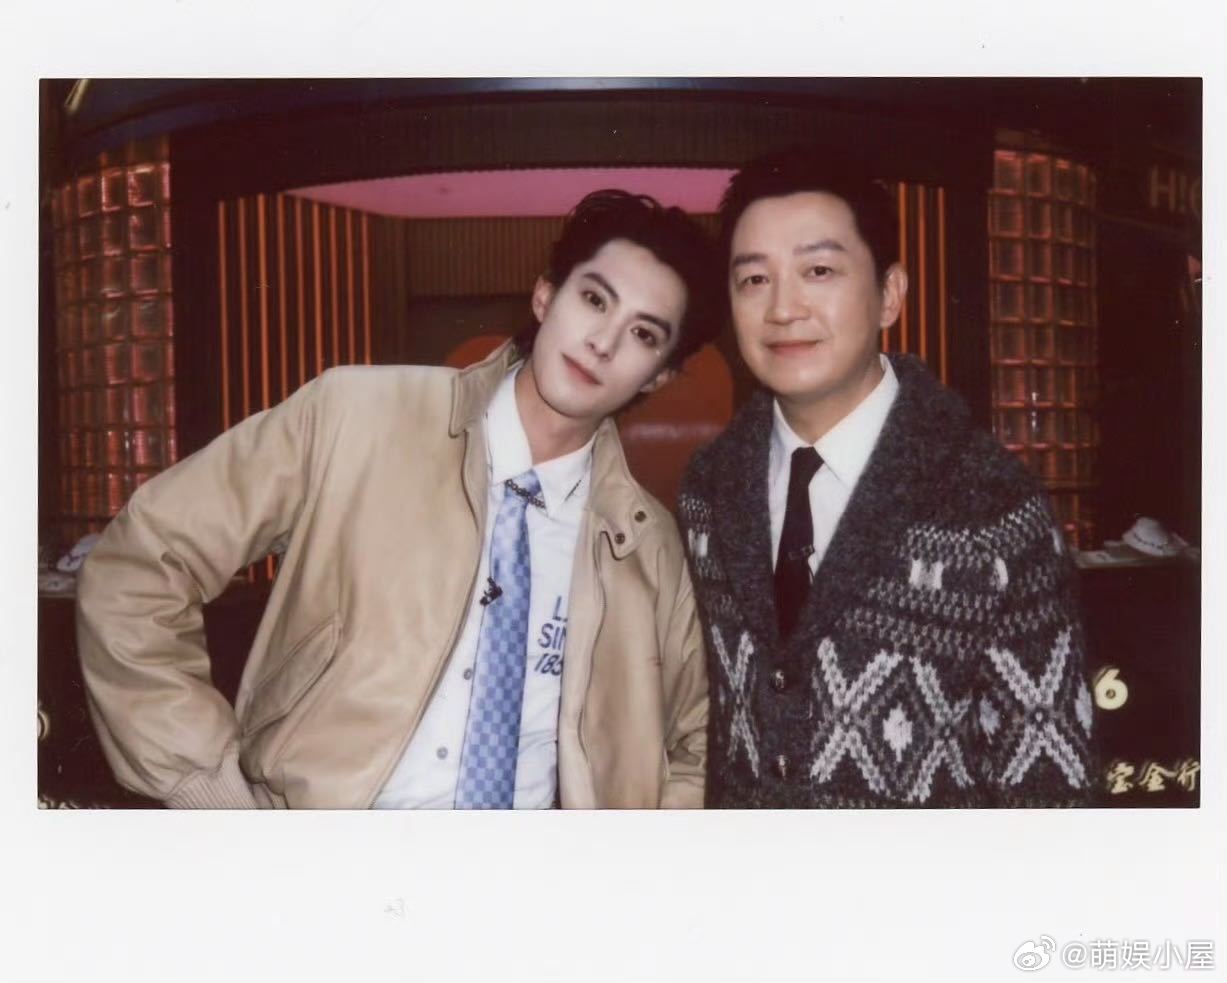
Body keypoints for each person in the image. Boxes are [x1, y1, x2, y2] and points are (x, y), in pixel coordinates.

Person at [76, 190, 714, 809]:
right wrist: (204, 785)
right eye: (595, 299)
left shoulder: (647, 545)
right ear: (546, 295)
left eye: (643, 334)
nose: (603, 341)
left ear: (659, 374)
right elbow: (142, 563)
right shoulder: (356, 415)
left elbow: (696, 743)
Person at [678, 146, 1095, 808]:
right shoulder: (707, 491)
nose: (782, 308)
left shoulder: (990, 504)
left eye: (818, 270)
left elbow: (1049, 790)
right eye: (753, 279)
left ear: (890, 294)